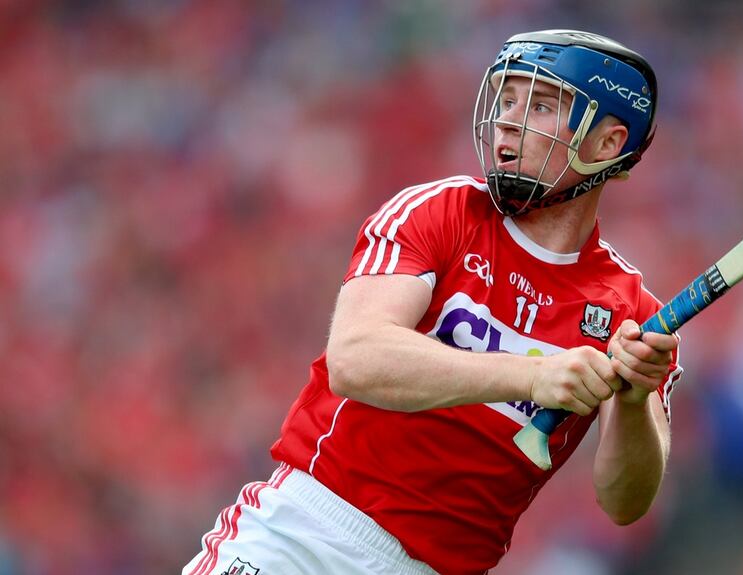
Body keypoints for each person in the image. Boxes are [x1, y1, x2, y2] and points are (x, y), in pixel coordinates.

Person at [183, 29, 682, 575]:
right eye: (507, 99)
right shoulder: (441, 212)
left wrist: (634, 401)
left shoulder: (630, 312)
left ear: (607, 144)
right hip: (309, 536)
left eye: (540, 105)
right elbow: (357, 358)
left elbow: (624, 502)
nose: (509, 121)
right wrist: (530, 376)